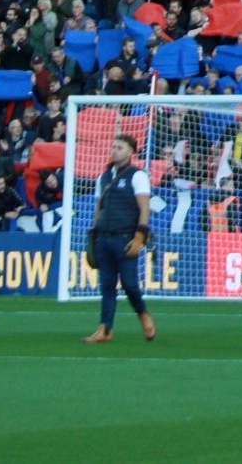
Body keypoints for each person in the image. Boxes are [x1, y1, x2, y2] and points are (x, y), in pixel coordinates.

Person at [82, 134, 156, 345]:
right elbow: (99, 208)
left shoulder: (137, 176)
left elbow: (144, 208)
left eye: (120, 147)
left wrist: (140, 236)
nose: (114, 150)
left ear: (131, 151)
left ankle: (143, 314)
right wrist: (95, 234)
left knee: (130, 284)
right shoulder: (103, 177)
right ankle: (105, 329)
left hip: (125, 238)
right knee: (106, 285)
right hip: (104, 238)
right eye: (113, 146)